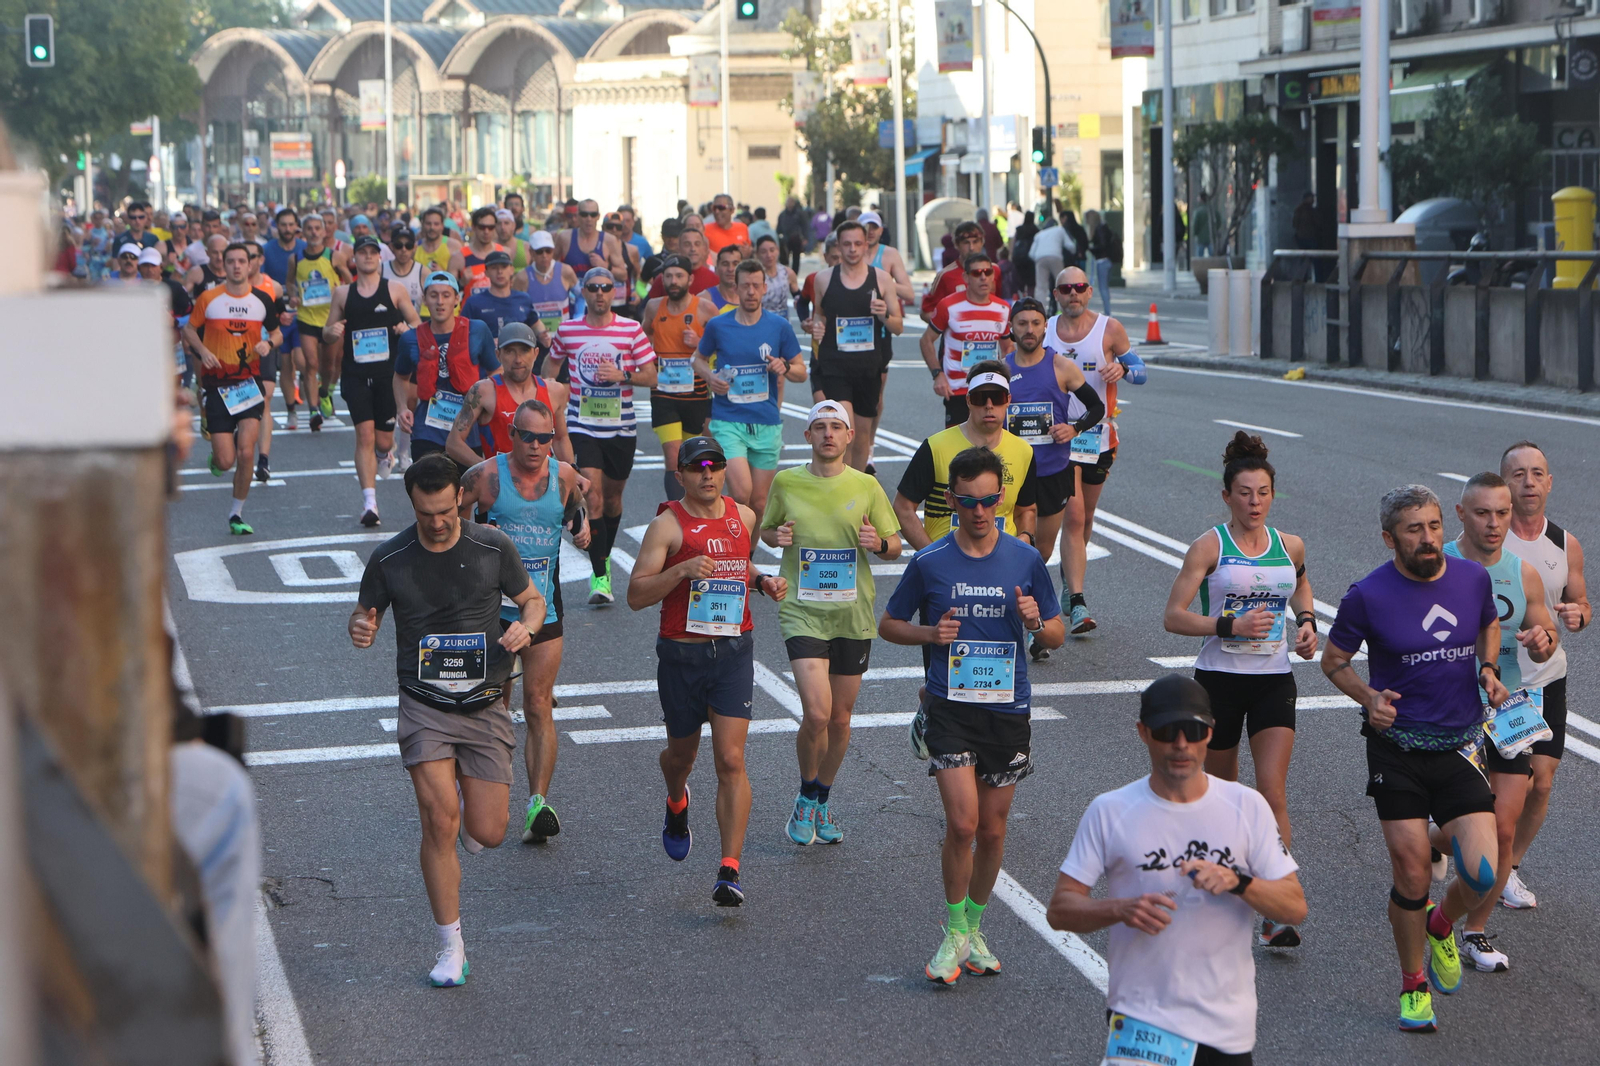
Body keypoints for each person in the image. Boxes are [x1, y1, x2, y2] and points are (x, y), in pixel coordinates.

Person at [349, 454, 545, 987]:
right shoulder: (390, 558)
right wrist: (360, 628)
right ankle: (450, 947)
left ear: (460, 498)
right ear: (411, 504)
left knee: (490, 832)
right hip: (424, 705)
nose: (436, 522)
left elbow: (532, 600)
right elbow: (363, 614)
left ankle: (465, 793)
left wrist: (527, 627)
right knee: (439, 822)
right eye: (424, 513)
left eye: (444, 511)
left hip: (484, 703)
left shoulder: (492, 547)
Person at [1321, 484, 1508, 1033]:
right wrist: (1369, 698)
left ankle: (1442, 923)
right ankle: (1413, 985)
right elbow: (1334, 661)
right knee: (1410, 872)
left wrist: (1488, 668)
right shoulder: (1367, 595)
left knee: (1482, 873)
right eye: (1413, 529)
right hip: (1397, 749)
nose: (1428, 538)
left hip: (1459, 745)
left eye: (1433, 526)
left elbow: (1488, 622)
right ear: (1389, 538)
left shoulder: (1471, 578)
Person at [1047, 674, 1308, 1065]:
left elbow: (1294, 907)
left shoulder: (1247, 806)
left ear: (1210, 733)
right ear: (1143, 733)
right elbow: (1060, 909)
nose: (1182, 744)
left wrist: (1239, 881)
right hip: (1141, 1021)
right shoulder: (1110, 811)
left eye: (1193, 731)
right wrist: (1119, 909)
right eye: (1168, 732)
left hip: (1225, 1028)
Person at [879, 446, 1065, 982]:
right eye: (967, 502)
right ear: (952, 500)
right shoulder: (930, 560)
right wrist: (929, 633)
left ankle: (975, 928)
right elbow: (889, 624)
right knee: (962, 824)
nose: (979, 511)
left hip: (1006, 710)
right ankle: (955, 930)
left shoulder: (1025, 560)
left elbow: (1055, 633)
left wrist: (1036, 622)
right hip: (951, 706)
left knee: (993, 830)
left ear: (1000, 498)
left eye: (987, 501)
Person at [1160, 432, 1317, 948]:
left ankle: (1276, 908)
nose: (1255, 503)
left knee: (1272, 794)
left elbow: (1300, 584)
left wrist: (1307, 623)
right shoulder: (1209, 547)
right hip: (1219, 683)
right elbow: (1173, 616)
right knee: (1224, 797)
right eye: (1245, 493)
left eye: (1263, 493)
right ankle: (1220, 894)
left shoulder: (1289, 545)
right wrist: (1228, 626)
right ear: (1226, 496)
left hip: (1273, 681)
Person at [626, 435, 789, 906]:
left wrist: (762, 580)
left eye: (715, 465)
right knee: (681, 758)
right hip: (681, 658)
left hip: (733, 653)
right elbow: (636, 595)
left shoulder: (744, 516)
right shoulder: (666, 526)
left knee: (731, 760)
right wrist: (681, 570)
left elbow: (740, 563)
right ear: (680, 475)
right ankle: (676, 799)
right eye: (697, 467)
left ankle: (729, 869)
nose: (708, 474)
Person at [761, 400, 902, 844]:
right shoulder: (786, 481)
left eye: (836, 427)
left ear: (849, 436)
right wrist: (775, 536)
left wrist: (878, 543)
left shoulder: (866, 485)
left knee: (840, 720)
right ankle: (806, 794)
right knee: (818, 713)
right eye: (819, 427)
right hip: (802, 611)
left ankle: (821, 798)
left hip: (851, 614)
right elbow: (766, 530)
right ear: (807, 436)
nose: (828, 434)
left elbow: (895, 545)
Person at [1438, 472, 1558, 972]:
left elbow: (1546, 633)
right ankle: (1430, 841)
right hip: (1449, 710)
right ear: (1461, 513)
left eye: (1503, 513)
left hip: (1507, 708)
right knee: (1463, 827)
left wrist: (1543, 640)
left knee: (1503, 829)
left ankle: (1474, 933)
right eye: (1483, 513)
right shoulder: (1438, 562)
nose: (1494, 523)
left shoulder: (1521, 572)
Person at [458, 398, 590, 846]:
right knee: (492, 706)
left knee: (537, 703)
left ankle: (537, 805)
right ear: (512, 434)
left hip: (544, 608)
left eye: (544, 438)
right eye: (528, 436)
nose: (536, 446)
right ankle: (480, 798)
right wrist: (470, 542)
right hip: (492, 611)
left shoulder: (564, 476)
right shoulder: (485, 476)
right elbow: (447, 515)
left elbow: (577, 507)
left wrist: (581, 526)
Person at [1499, 441, 1589, 909]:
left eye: (1537, 474)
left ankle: (1508, 869)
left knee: (1543, 783)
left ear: (1549, 483)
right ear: (1504, 484)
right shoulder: (1487, 541)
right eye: (1518, 474)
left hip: (1549, 677)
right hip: (1502, 682)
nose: (1529, 482)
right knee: (1510, 784)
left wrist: (1578, 614)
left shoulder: (1565, 543)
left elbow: (1581, 602)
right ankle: (1454, 836)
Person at [1001, 296, 1105, 658]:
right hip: (1012, 476)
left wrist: (1073, 428)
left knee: (1039, 553)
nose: (1029, 330)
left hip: (1052, 473)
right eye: (1022, 323)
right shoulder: (1001, 370)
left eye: (1035, 323)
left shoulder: (1061, 366)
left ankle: (1032, 622)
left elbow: (1096, 407)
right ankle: (1028, 626)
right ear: (1011, 328)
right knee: (1016, 550)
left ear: (1045, 327)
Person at [549, 267, 660, 604]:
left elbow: (652, 375)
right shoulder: (568, 330)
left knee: (612, 500)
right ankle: (600, 577)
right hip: (582, 425)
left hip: (621, 427)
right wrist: (552, 397)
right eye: (593, 287)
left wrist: (622, 374)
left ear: (614, 292)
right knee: (593, 496)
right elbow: (550, 367)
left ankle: (603, 556)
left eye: (606, 287)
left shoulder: (630, 329)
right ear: (583, 292)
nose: (600, 293)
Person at [1048, 265, 1146, 635]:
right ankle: (1077, 601)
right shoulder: (1046, 330)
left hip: (1099, 438)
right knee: (1073, 517)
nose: (1073, 293)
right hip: (1060, 437)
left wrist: (1122, 368)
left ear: (1089, 292)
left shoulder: (1110, 328)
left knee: (1086, 519)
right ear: (1056, 295)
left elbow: (1141, 372)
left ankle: (1067, 577)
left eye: (1080, 287)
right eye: (1066, 289)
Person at [693, 258, 806, 523]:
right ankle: (732, 542)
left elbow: (802, 372)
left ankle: (745, 550)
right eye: (746, 286)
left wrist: (785, 367)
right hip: (728, 420)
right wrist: (710, 377)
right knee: (742, 493)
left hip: (766, 421)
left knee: (759, 502)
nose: (751, 292)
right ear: (736, 288)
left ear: (765, 288)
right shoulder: (719, 325)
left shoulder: (779, 326)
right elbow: (697, 359)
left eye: (756, 285)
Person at [182, 243, 283, 536]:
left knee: (246, 451)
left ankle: (236, 513)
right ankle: (216, 457)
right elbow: (189, 330)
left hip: (248, 384)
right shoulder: (209, 298)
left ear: (250, 265)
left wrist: (268, 343)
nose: (237, 266)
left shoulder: (262, 299)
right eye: (231, 261)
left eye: (242, 261)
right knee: (226, 460)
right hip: (216, 386)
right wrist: (203, 351)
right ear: (223, 265)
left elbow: (277, 333)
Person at [324, 234, 422, 526]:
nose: (367, 256)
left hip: (387, 376)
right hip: (355, 374)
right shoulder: (343, 293)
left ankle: (384, 453)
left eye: (372, 252)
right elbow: (327, 331)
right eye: (362, 252)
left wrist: (406, 329)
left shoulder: (394, 289)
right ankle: (370, 503)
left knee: (382, 440)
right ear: (354, 258)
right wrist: (332, 332)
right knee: (364, 435)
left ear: (380, 257)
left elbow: (417, 324)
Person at [894, 363, 1039, 550]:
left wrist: (1025, 537)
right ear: (968, 400)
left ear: (1008, 400)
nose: (989, 405)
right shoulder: (935, 447)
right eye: (980, 398)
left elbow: (1026, 510)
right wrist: (931, 555)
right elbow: (903, 507)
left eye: (997, 397)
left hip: (1001, 560)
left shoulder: (1023, 451)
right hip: (947, 560)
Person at [806, 221, 902, 471]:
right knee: (844, 426)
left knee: (861, 435)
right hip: (834, 366)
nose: (852, 249)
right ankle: (840, 481)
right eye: (847, 244)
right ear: (838, 246)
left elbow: (898, 326)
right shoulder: (824, 279)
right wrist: (816, 327)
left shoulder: (881, 279)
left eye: (858, 244)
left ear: (866, 245)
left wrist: (884, 315)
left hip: (868, 368)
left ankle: (856, 483)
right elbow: (819, 315)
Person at [391, 271, 499, 462]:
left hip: (469, 431)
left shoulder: (477, 330)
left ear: (456, 299)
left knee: (467, 481)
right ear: (425, 300)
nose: (440, 302)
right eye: (433, 295)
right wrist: (402, 408)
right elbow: (400, 376)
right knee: (428, 480)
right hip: (427, 431)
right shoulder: (410, 338)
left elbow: (496, 371)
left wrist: (490, 408)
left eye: (446, 295)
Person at [642, 255, 718, 500]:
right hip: (663, 393)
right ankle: (676, 511)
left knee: (692, 457)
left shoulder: (705, 308)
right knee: (673, 456)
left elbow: (723, 345)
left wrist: (700, 343)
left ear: (690, 279)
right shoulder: (654, 306)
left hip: (695, 395)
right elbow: (643, 335)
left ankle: (694, 506)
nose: (673, 281)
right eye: (668, 276)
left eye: (679, 276)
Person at [448, 321, 572, 469]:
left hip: (543, 480)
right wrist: (489, 470)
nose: (518, 359)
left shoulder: (554, 391)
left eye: (524, 351)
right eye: (510, 351)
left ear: (536, 353)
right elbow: (453, 443)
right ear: (498, 355)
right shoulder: (483, 391)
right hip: (500, 482)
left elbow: (560, 439)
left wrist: (573, 472)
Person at [922, 251, 1013, 428]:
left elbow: (1008, 346)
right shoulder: (948, 305)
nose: (983, 277)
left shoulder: (1003, 308)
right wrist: (937, 375)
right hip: (958, 389)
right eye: (977, 273)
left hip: (990, 386)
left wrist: (1006, 378)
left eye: (987, 272)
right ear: (966, 277)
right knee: (958, 443)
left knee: (990, 442)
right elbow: (926, 340)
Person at [291, 213, 352, 431]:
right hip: (306, 317)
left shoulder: (334, 256)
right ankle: (313, 410)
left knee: (329, 365)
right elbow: (290, 283)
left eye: (318, 228)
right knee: (311, 364)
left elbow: (350, 281)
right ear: (303, 232)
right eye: (310, 228)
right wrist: (293, 296)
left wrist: (341, 289)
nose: (314, 232)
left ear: (324, 231)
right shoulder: (295, 259)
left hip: (331, 317)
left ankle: (325, 391)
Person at [461, 249, 534, 346]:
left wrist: (543, 335)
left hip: (518, 353)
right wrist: (487, 342)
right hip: (487, 354)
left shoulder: (524, 299)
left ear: (511, 270)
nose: (500, 272)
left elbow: (536, 326)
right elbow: (462, 334)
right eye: (494, 268)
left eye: (504, 267)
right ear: (486, 272)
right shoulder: (474, 302)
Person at [555, 199, 628, 281]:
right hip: (571, 288)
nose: (589, 219)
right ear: (578, 216)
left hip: (599, 289)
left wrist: (605, 266)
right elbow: (549, 267)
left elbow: (623, 275)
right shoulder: (564, 237)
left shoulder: (609, 240)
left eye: (593, 215)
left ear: (598, 216)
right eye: (584, 214)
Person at [857, 209, 914, 305]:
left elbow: (909, 294)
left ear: (881, 230)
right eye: (866, 227)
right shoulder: (851, 254)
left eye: (874, 227)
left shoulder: (890, 254)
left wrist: (883, 282)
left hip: (883, 311)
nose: (870, 232)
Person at [648, 226, 716, 299]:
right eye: (687, 244)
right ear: (679, 248)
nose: (693, 249)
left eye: (697, 244)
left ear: (703, 248)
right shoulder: (666, 278)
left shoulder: (714, 280)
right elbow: (648, 305)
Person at [457, 207, 506, 297]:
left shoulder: (504, 253)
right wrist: (461, 283)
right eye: (482, 227)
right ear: (473, 227)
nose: (486, 231)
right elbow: (448, 292)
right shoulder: (459, 257)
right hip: (470, 306)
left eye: (490, 227)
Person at [755, 235, 799, 318]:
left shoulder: (787, 272)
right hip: (761, 320)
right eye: (763, 252)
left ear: (778, 251)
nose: (769, 255)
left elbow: (797, 295)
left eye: (772, 250)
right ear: (757, 254)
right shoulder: (754, 276)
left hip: (782, 320)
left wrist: (799, 302)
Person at [1029, 218, 1067, 309]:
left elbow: (1031, 253)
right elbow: (1070, 245)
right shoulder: (1060, 229)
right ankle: (1062, 308)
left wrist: (1037, 259)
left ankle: (1040, 309)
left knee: (1041, 286)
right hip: (1055, 256)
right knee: (1061, 283)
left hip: (1040, 258)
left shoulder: (1039, 234)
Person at [260, 208, 304, 287]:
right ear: (277, 225)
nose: (287, 229)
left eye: (291, 224)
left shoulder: (306, 249)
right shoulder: (265, 250)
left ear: (296, 225)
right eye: (283, 225)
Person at [416, 206, 461, 279]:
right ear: (423, 224)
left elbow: (459, 279)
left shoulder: (453, 246)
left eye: (436, 224)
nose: (432, 227)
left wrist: (442, 273)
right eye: (428, 223)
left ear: (442, 226)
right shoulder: (415, 248)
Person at [777, 195, 808, 273]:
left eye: (791, 202)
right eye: (788, 202)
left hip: (796, 239)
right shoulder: (782, 215)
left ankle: (794, 273)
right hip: (785, 239)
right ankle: (785, 272)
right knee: (784, 257)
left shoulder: (799, 214)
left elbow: (804, 226)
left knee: (796, 258)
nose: (789, 203)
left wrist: (805, 238)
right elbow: (779, 227)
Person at [706, 243, 741, 312]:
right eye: (725, 264)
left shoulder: (752, 298)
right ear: (716, 270)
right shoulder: (705, 299)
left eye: (735, 264)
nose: (730, 269)